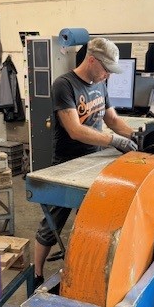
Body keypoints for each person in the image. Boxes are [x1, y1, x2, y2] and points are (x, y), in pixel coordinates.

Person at [33, 37, 137, 287]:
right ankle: (36, 273)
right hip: (68, 164)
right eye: (106, 69)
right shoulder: (64, 85)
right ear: (91, 60)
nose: (108, 75)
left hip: (95, 161)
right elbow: (75, 130)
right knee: (52, 223)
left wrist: (135, 135)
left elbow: (112, 119)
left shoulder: (100, 84)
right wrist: (114, 141)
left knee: (89, 220)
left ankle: (82, 266)